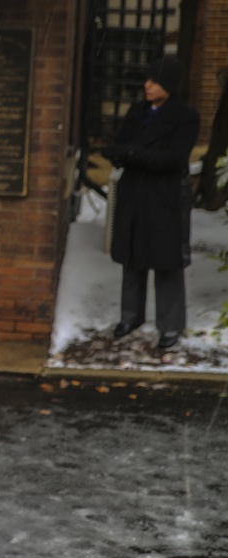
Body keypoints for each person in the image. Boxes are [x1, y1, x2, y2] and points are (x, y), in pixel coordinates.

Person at [104, 56, 199, 349]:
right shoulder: (137, 112)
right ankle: (130, 315)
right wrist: (122, 154)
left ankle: (170, 325)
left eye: (153, 81)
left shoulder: (185, 117)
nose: (146, 85)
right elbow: (119, 145)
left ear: (168, 85)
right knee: (132, 256)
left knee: (166, 260)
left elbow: (175, 159)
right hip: (135, 193)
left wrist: (134, 155)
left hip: (164, 197)